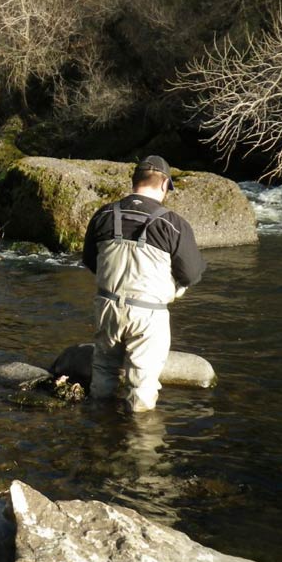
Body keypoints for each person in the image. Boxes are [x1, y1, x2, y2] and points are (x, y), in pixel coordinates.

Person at [81, 155, 206, 412]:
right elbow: (191, 274)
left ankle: (96, 431)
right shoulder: (173, 224)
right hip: (148, 314)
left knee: (103, 373)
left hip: (106, 307)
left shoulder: (103, 214)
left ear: (134, 181)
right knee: (142, 387)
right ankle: (139, 446)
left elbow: (90, 260)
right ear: (164, 185)